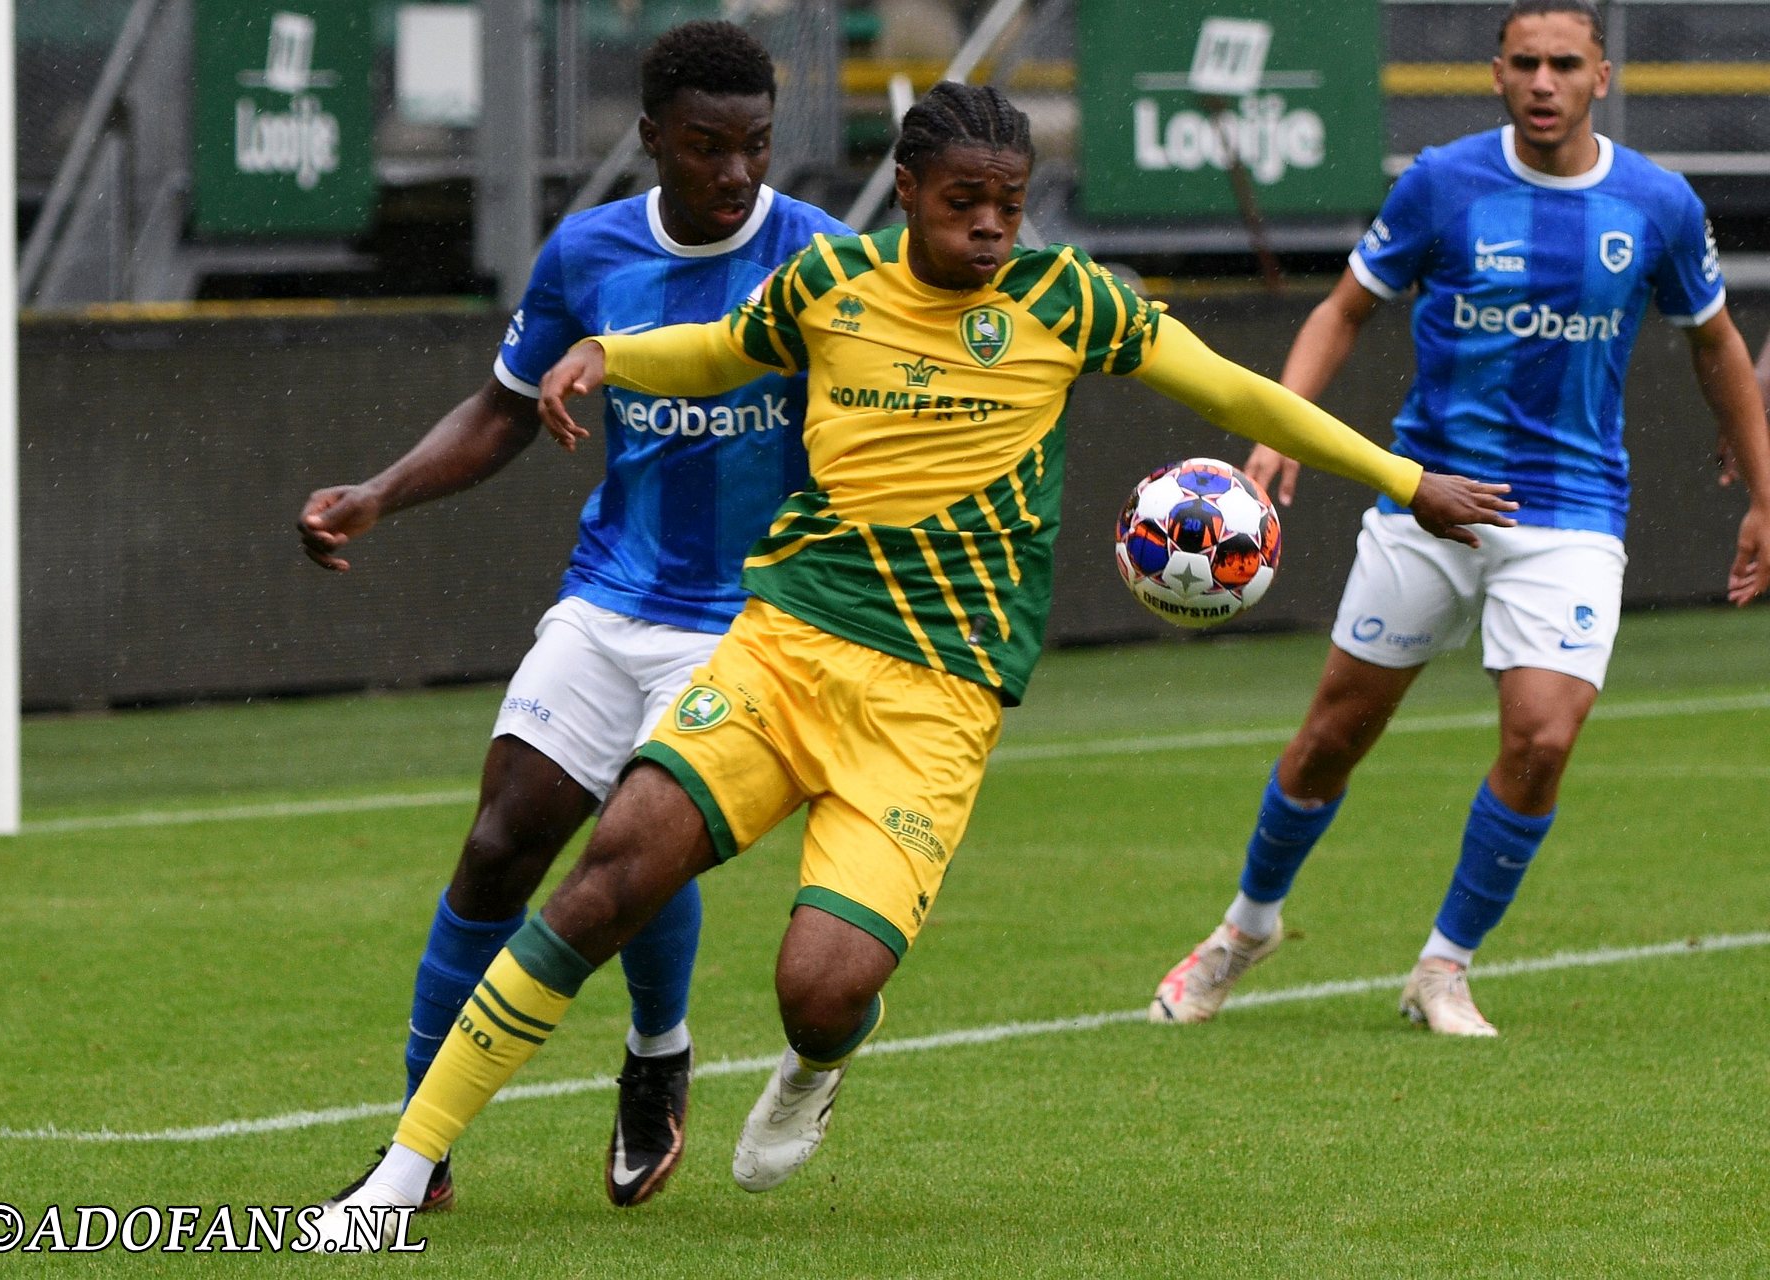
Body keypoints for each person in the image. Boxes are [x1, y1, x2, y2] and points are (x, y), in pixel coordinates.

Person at [314, 81, 1512, 1245]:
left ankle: (814, 1065)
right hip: (784, 647)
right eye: (964, 201)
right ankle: (402, 1174)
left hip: (935, 699)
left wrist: (1412, 481)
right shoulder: (827, 281)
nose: (990, 225)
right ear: (909, 190)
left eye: (1008, 201)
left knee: (820, 988)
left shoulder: (1067, 301)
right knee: (603, 879)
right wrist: (609, 356)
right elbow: (723, 351)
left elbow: (1243, 388)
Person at [296, 20, 850, 1211]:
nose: (737, 172)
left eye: (756, 146)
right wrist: (379, 494)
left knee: (631, 847)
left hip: (749, 617)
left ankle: (657, 1052)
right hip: (611, 594)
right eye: (707, 146)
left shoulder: (824, 263)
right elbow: (501, 409)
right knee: (502, 842)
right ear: (652, 138)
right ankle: (422, 1145)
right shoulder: (589, 251)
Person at [1149, 0, 1770, 1037]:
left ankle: (1443, 966)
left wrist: (1763, 492)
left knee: (1542, 738)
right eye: (1523, 62)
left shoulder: (1656, 205)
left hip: (1571, 512)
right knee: (1332, 737)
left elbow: (1717, 347)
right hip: (1425, 502)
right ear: (1494, 73)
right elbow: (1342, 309)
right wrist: (1282, 432)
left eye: (1564, 63)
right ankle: (1244, 929)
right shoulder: (1442, 182)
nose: (1542, 82)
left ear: (1600, 78)